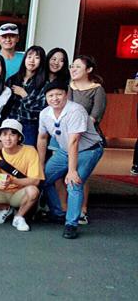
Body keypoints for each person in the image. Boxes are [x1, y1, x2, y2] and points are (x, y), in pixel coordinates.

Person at [38, 82, 105, 239]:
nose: (55, 98)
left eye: (59, 94)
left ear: (66, 95)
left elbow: (74, 141)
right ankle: (57, 213)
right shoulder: (45, 113)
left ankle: (71, 224)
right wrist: (40, 164)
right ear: (46, 98)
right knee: (43, 178)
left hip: (88, 150)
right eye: (50, 95)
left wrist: (72, 170)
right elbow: (42, 138)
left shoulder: (76, 110)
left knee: (74, 183)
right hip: (64, 150)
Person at [0, 119, 43, 232]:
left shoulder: (30, 151)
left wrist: (13, 180)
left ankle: (19, 217)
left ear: (19, 137)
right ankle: (6, 209)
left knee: (33, 191)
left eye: (12, 134)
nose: (8, 138)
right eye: (4, 134)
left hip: (20, 193)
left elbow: (35, 181)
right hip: (2, 192)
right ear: (0, 137)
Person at [68, 54, 107, 225]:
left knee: (81, 175)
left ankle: (82, 210)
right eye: (72, 66)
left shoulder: (97, 89)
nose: (73, 69)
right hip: (68, 136)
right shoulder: (69, 86)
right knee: (65, 173)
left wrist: (77, 128)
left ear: (89, 70)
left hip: (88, 139)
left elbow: (95, 116)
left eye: (78, 66)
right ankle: (65, 208)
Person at [5, 46, 48, 146]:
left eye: (37, 58)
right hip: (10, 123)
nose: (32, 61)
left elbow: (39, 110)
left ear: (41, 61)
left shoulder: (44, 84)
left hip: (30, 125)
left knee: (27, 152)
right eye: (29, 57)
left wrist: (24, 95)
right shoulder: (13, 79)